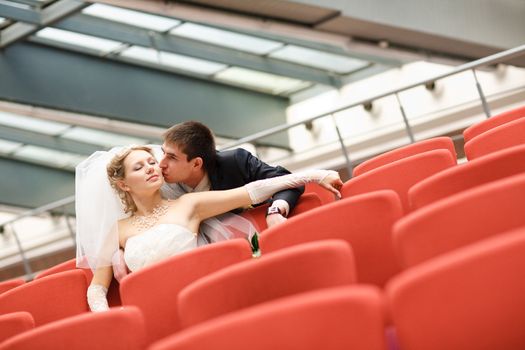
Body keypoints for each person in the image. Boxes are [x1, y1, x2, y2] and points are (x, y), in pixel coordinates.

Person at [76, 145, 342, 312]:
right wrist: (106, 316)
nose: (150, 168)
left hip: (207, 299)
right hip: (157, 311)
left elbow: (253, 191)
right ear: (123, 185)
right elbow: (97, 287)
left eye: (151, 162)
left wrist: (317, 175)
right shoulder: (118, 230)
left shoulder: (189, 204)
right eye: (138, 167)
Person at [159, 121, 304, 228]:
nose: (161, 164)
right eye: (163, 152)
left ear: (196, 163)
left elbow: (289, 181)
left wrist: (275, 211)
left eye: (172, 157)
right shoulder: (158, 184)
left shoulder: (235, 162)